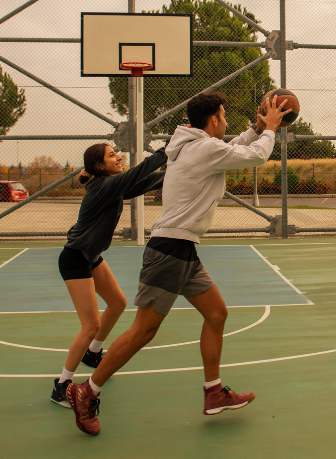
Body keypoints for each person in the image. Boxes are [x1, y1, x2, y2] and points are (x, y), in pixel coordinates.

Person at [66, 92, 292, 436]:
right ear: (214, 120)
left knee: (217, 314)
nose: (226, 121)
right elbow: (255, 155)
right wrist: (270, 129)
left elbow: (234, 147)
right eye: (224, 115)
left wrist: (255, 126)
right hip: (169, 251)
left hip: (183, 249)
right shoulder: (203, 149)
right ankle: (87, 390)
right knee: (144, 330)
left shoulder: (197, 145)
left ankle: (214, 391)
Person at [50, 143, 166, 407]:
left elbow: (147, 182)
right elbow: (138, 174)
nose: (118, 157)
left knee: (118, 303)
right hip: (75, 260)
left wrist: (180, 171)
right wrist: (165, 152)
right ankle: (62, 385)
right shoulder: (103, 186)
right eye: (111, 155)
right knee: (90, 326)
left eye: (117, 153)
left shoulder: (112, 185)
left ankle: (92, 355)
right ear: (99, 166)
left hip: (91, 257)